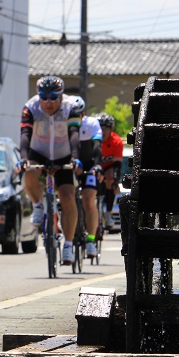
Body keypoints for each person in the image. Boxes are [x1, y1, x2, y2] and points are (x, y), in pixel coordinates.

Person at [17, 76, 82, 265]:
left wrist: (75, 157)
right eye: (44, 98)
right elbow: (25, 135)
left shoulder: (72, 106)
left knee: (68, 196)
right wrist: (23, 158)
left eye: (54, 98)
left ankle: (68, 245)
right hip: (39, 152)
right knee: (29, 173)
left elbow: (74, 133)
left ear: (61, 95)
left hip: (64, 154)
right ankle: (37, 205)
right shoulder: (30, 107)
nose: (48, 102)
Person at [75, 98, 103, 259]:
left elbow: (97, 147)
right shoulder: (62, 124)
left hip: (89, 164)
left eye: (78, 114)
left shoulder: (91, 124)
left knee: (88, 199)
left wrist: (98, 165)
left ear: (83, 113)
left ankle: (91, 239)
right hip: (71, 164)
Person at [98, 113, 124, 230]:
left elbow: (117, 165)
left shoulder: (116, 141)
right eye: (100, 128)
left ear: (111, 129)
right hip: (95, 166)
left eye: (106, 128)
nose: (102, 131)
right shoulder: (93, 139)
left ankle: (108, 213)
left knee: (110, 178)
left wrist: (115, 181)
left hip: (108, 167)